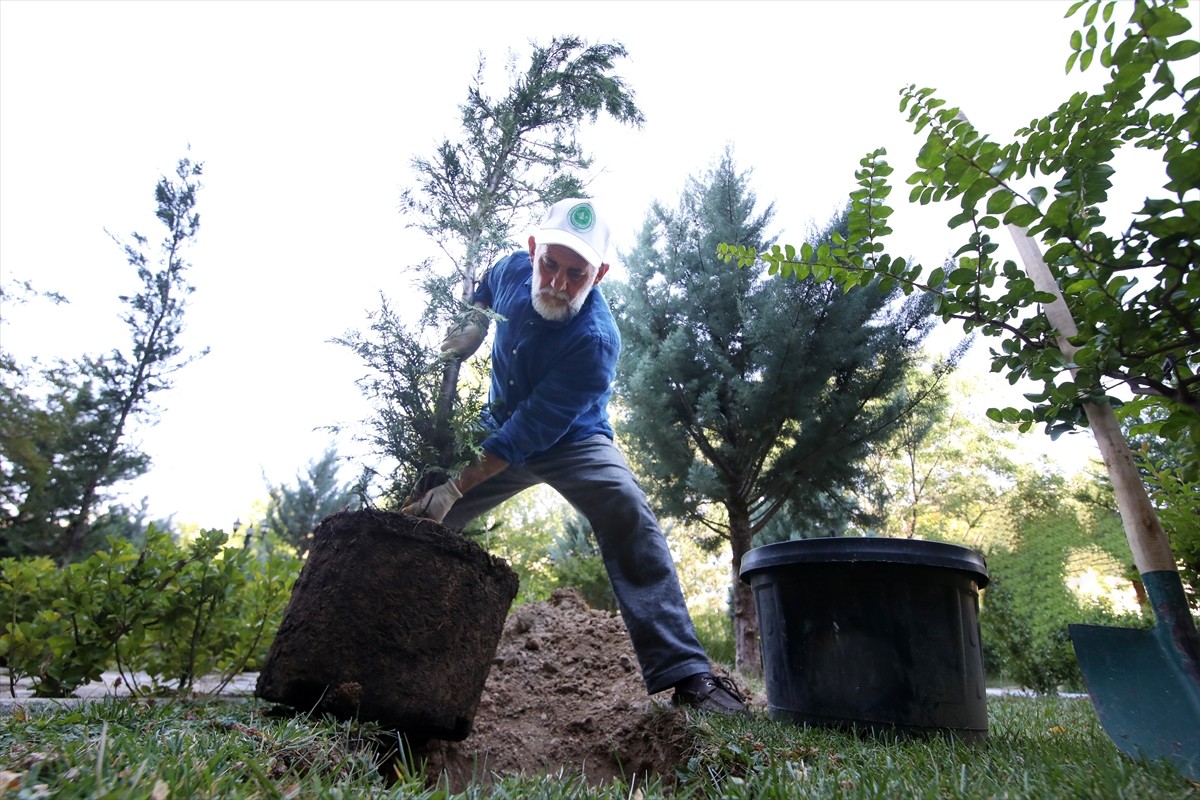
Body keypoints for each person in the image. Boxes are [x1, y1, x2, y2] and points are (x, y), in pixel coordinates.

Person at [401, 198, 747, 716]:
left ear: (599, 274)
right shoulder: (511, 269)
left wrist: (457, 487)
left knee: (626, 507)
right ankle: (382, 629)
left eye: (576, 274)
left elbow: (528, 433)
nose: (558, 283)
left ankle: (688, 675)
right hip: (497, 425)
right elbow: (487, 286)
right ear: (532, 251)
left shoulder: (596, 341)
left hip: (573, 440)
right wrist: (474, 321)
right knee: (416, 511)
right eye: (550, 265)